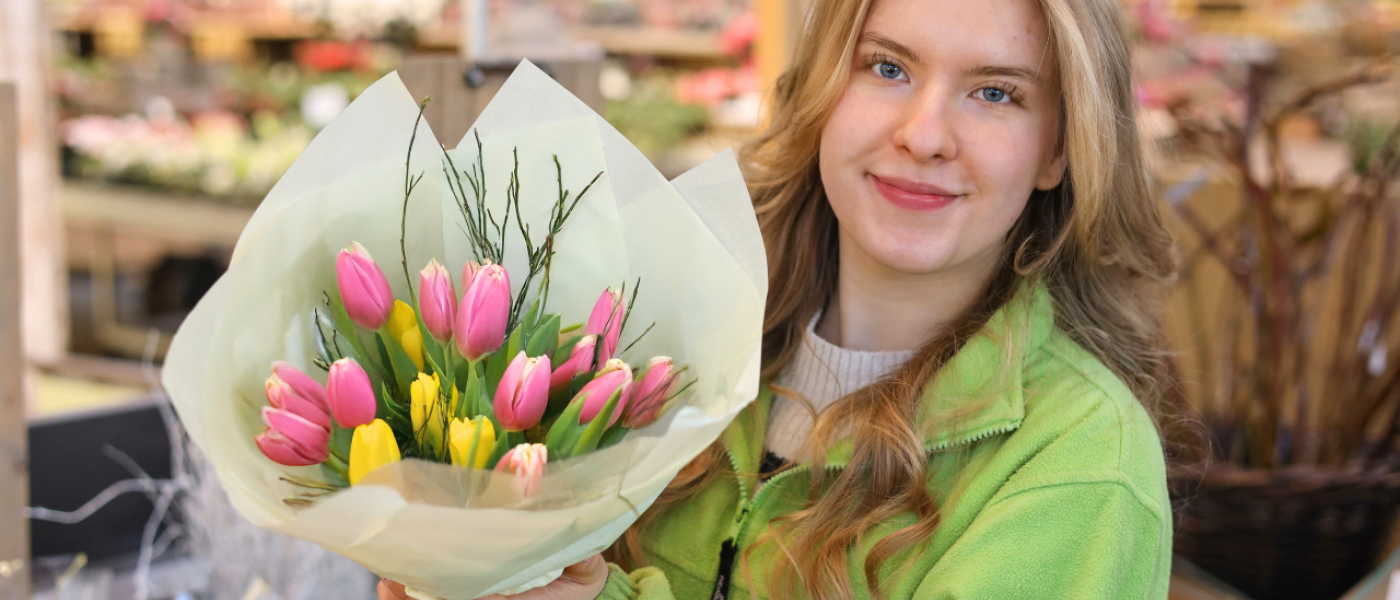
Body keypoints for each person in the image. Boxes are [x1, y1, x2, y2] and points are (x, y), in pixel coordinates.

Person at [381, 0, 1179, 596]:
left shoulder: (1080, 464)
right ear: (823, 92)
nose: (925, 134)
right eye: (888, 68)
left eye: (997, 93)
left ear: (1059, 152)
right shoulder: (660, 337)